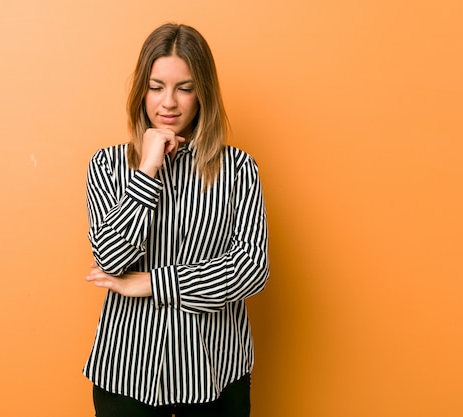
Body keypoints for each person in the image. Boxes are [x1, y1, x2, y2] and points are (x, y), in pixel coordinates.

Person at [83, 22, 269, 417]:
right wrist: (148, 167)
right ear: (142, 91)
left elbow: (251, 269)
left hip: (215, 372)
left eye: (184, 88)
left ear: (203, 93)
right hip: (127, 375)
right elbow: (112, 260)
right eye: (156, 87)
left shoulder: (238, 170)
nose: (169, 102)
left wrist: (153, 282)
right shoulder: (108, 165)